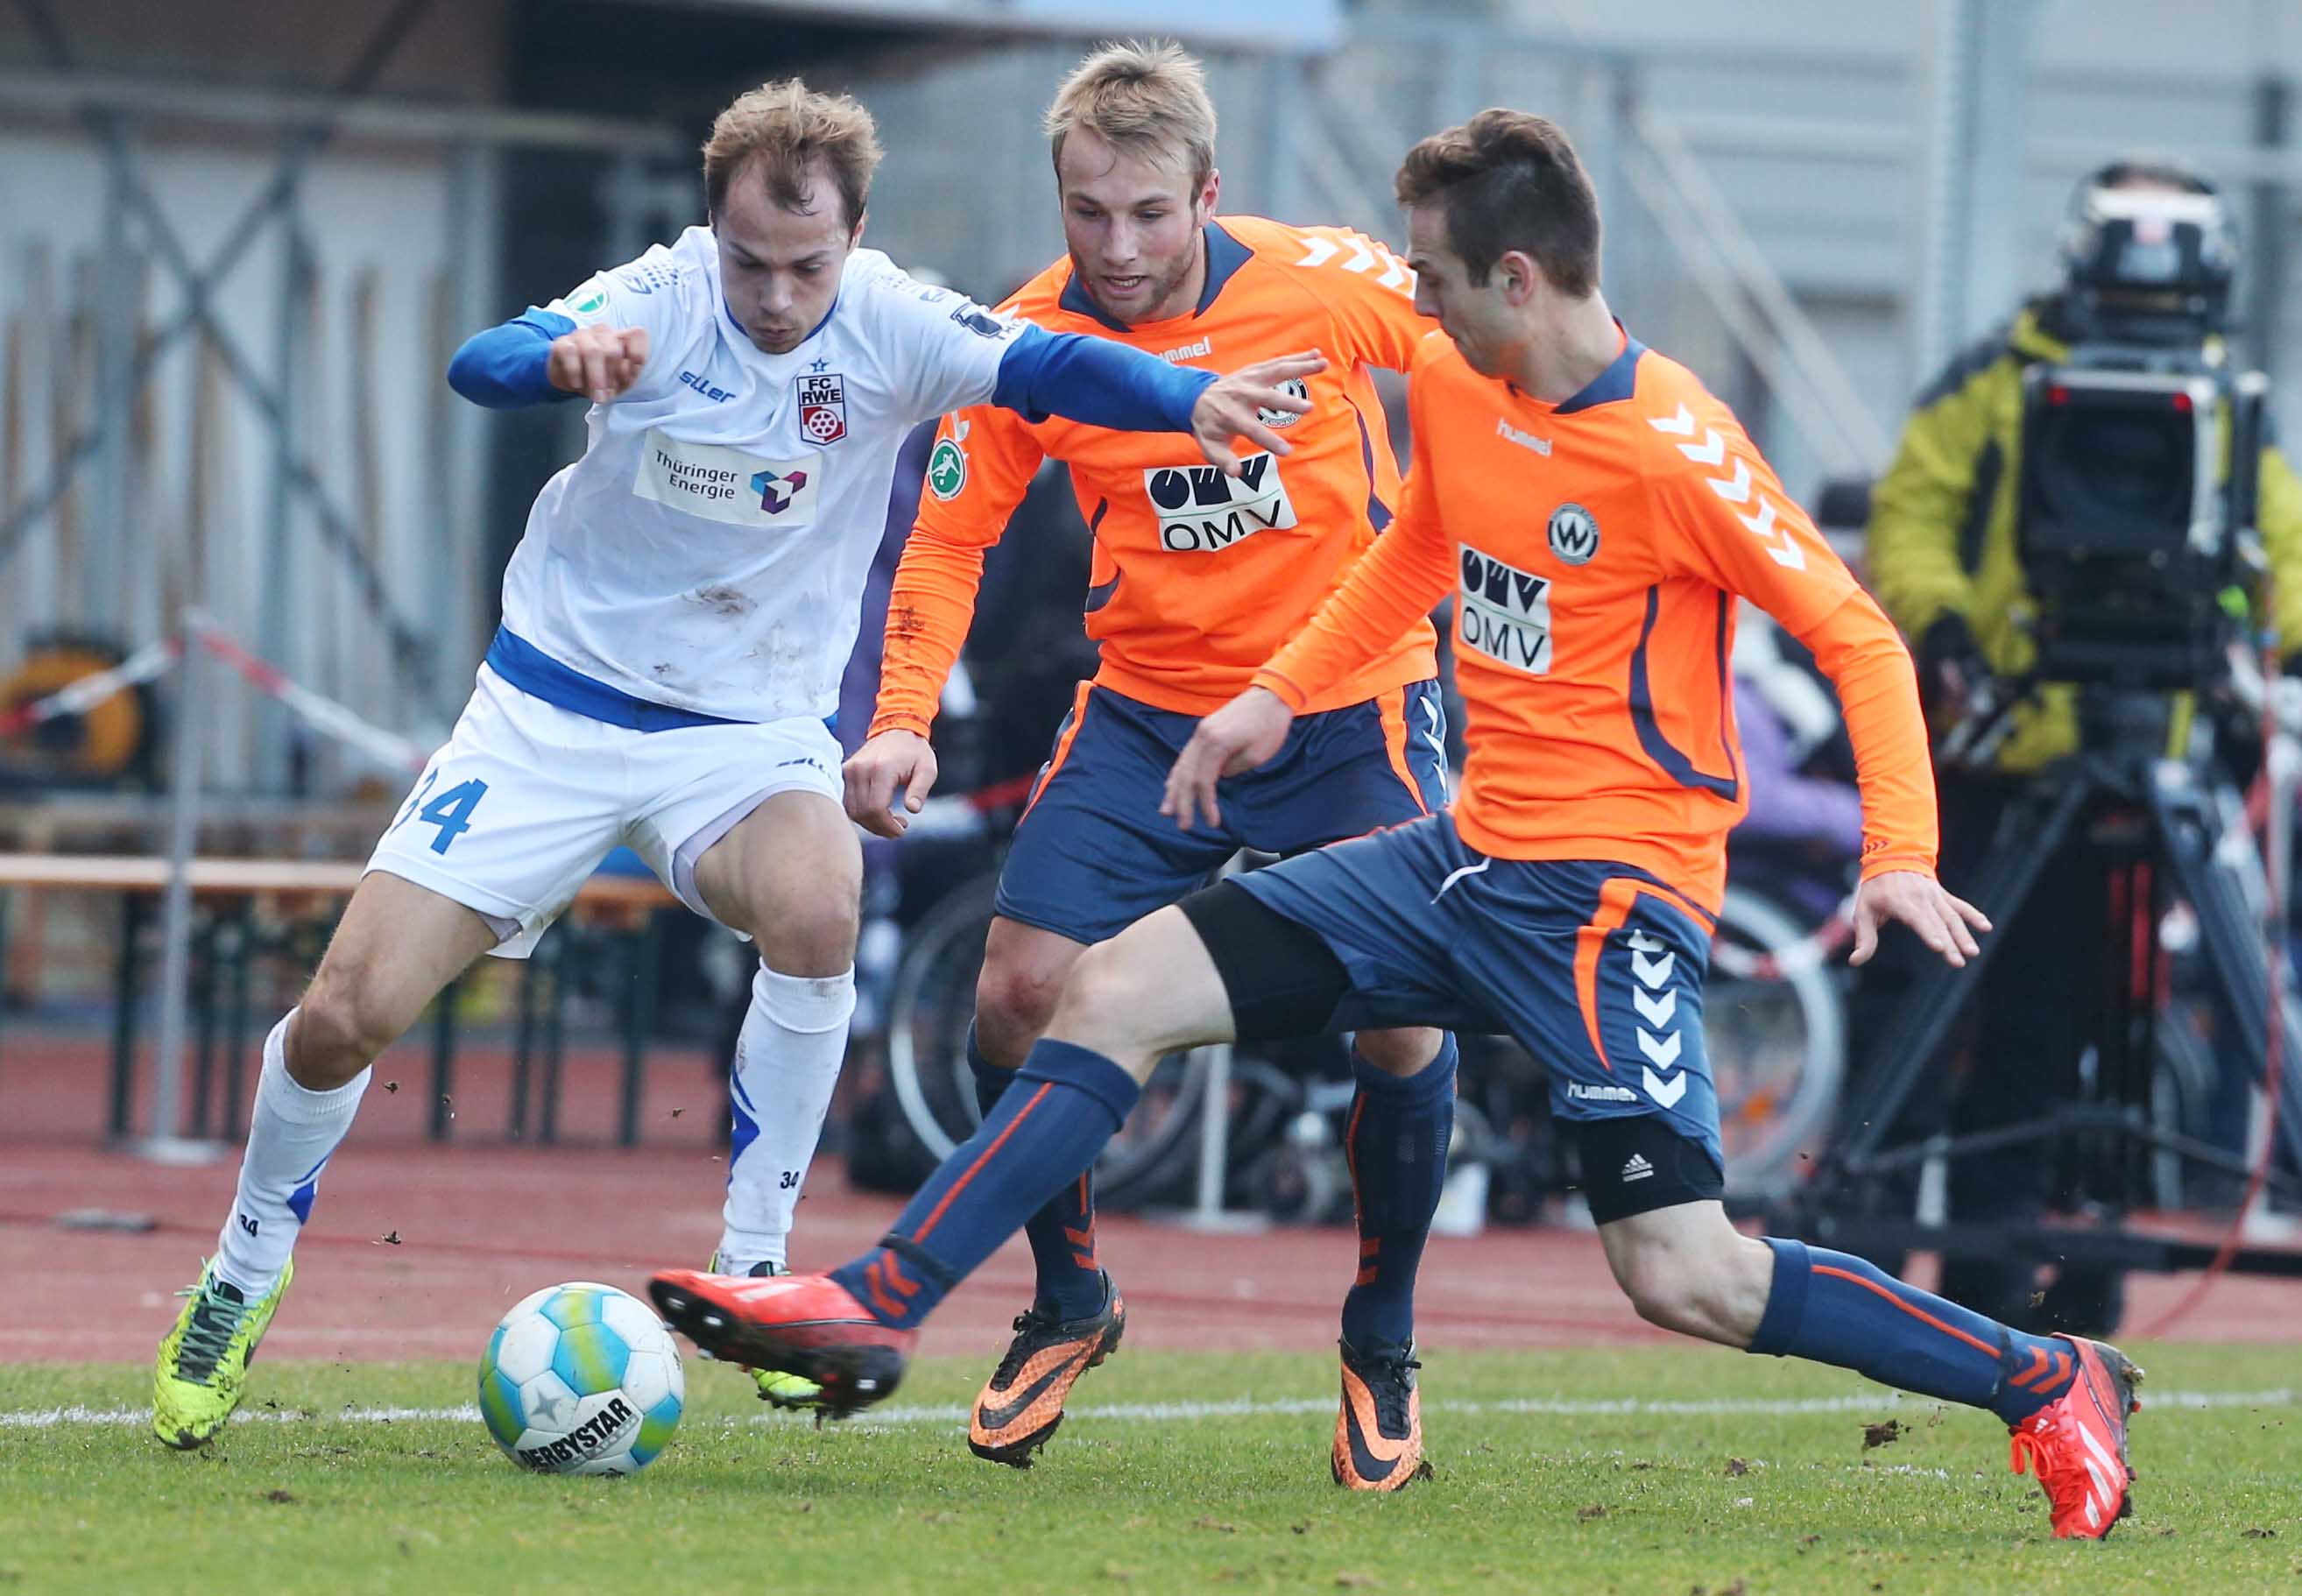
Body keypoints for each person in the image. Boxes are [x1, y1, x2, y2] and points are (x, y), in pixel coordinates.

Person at [654, 108, 2150, 1542]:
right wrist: (1268, 697)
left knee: (1685, 1273)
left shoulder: (1673, 442)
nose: (1406, 294)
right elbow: (1412, 550)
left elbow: (1862, 639)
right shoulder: (1455, 387)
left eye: (1428, 271)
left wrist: (1898, 849)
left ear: (1513, 276)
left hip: (1607, 901)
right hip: (1453, 863)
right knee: (1099, 988)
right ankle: (882, 1301)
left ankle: (2044, 1374)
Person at [150, 76, 1317, 1451]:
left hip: (746, 732)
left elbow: (1052, 364)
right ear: (712, 238)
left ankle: (757, 1272)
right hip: (552, 714)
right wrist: (554, 363)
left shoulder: (891, 316)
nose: (776, 295)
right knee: (347, 1010)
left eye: (807, 264)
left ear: (856, 234)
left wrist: (1190, 398)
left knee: (822, 899)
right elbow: (481, 359)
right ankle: (237, 1275)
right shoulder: (656, 296)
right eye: (750, 262)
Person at [839, 40, 1451, 1486]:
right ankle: (1069, 1300)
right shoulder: (1025, 339)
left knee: (1405, 1026)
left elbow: (1489, 386)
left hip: (1348, 704)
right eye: (1088, 213)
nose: (1117, 249)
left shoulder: (1331, 283)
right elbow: (948, 534)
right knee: (1013, 993)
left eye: (1149, 215)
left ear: (1208, 195)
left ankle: (1382, 1335)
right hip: (1148, 713)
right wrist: (905, 710)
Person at [1861, 158, 2302, 1332]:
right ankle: (1867, 1267)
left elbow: (2284, 552)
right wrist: (1945, 627)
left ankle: (2050, 1297)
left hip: (2140, 761)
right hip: (2000, 756)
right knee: (1924, 1013)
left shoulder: (2227, 404)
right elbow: (1912, 514)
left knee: (2073, 1040)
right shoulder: (1998, 380)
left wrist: (2263, 632)